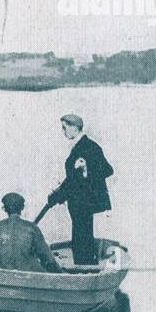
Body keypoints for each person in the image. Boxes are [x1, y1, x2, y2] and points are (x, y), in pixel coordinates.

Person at [45, 113, 113, 266]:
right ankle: (86, 265)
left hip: (83, 201)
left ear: (75, 128)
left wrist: (86, 170)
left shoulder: (87, 147)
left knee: (81, 236)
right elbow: (73, 178)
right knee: (82, 235)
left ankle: (84, 268)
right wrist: (58, 194)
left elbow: (108, 170)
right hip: (80, 200)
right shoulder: (82, 145)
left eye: (65, 128)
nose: (63, 132)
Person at [0, 193, 60, 272]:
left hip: (2, 275)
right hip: (29, 275)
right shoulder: (32, 228)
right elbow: (47, 259)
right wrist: (60, 272)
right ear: (22, 207)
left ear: (5, 208)